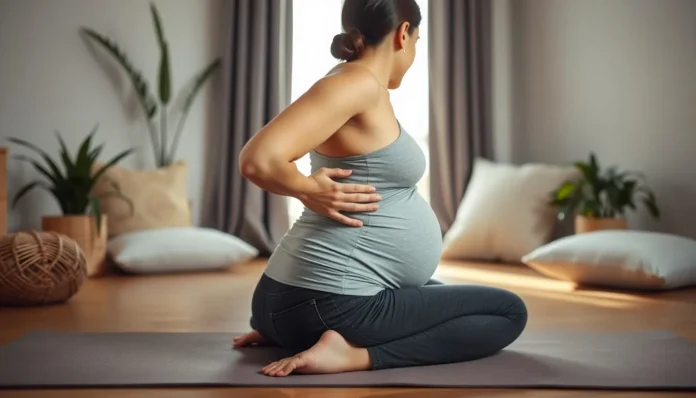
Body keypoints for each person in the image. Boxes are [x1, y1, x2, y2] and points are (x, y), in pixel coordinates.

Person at [234, 0, 528, 377]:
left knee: (444, 295)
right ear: (403, 34)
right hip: (325, 303)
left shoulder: (354, 83)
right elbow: (258, 158)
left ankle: (293, 330)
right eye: (418, 41)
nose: (415, 53)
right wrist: (308, 189)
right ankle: (351, 356)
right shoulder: (356, 83)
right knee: (507, 311)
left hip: (296, 301)